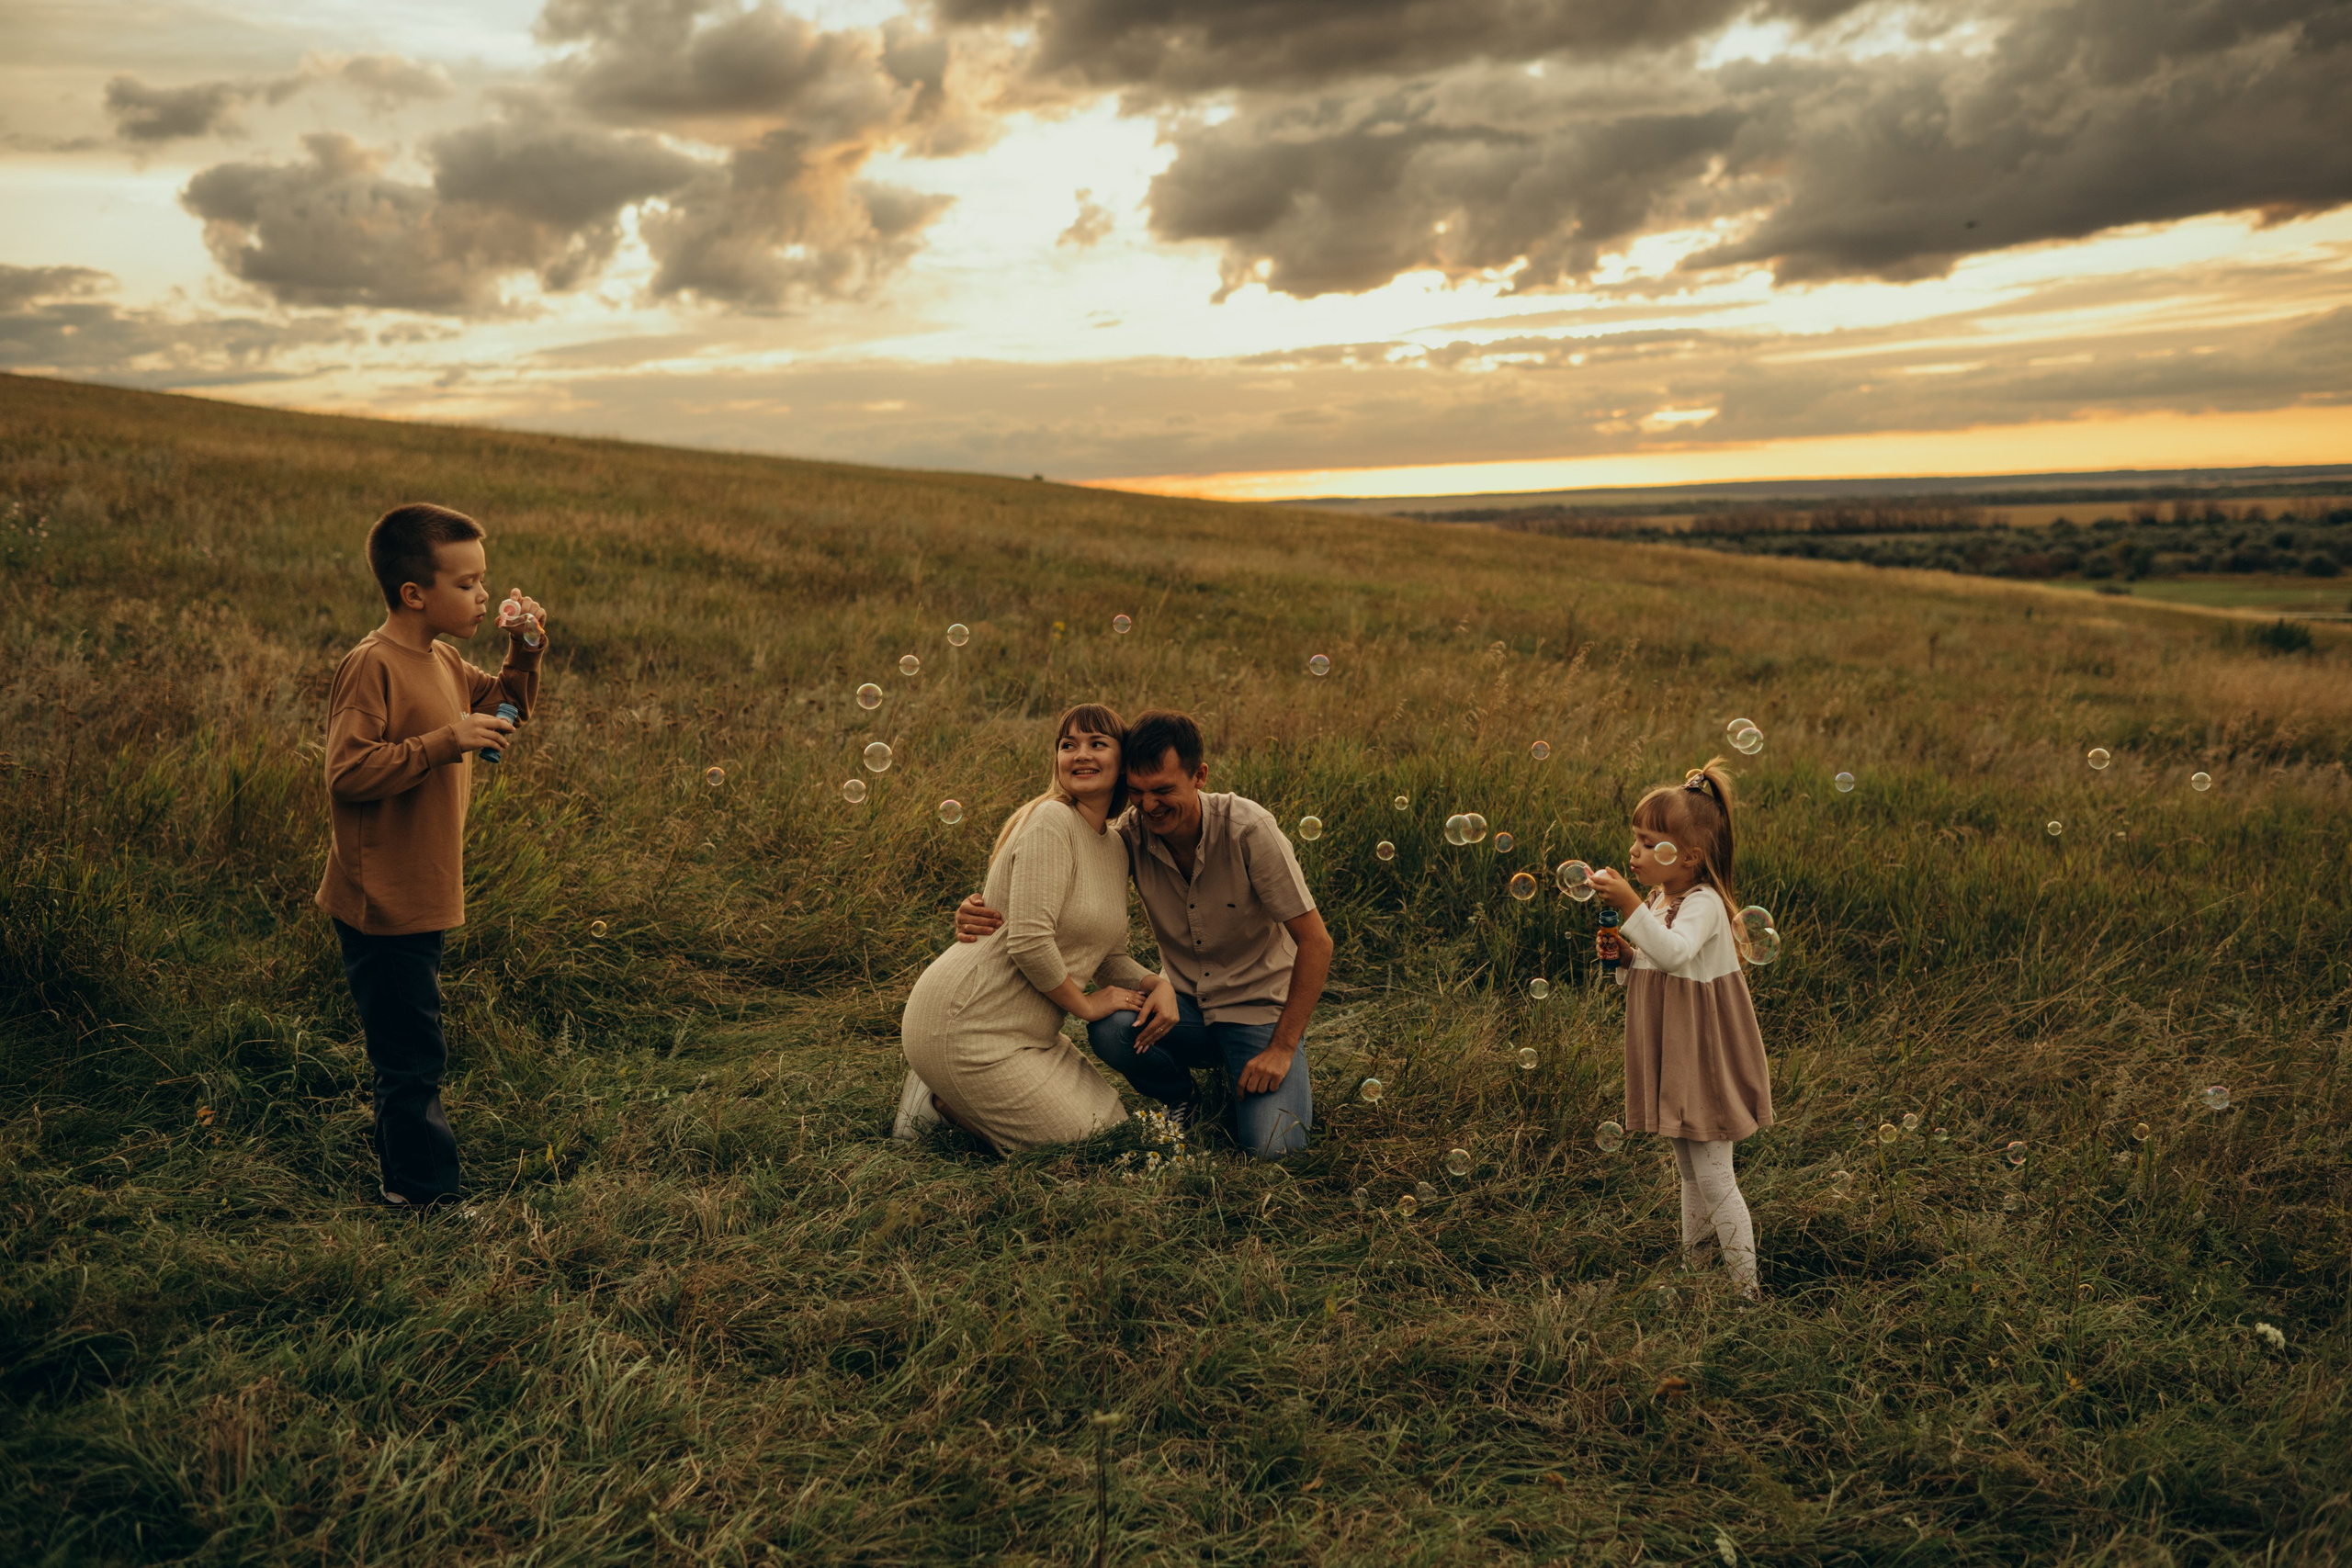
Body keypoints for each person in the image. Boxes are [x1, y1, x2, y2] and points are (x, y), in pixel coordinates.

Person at [955, 708, 1330, 1158]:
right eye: (1137, 792)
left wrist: (1282, 1048)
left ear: (1200, 776)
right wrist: (983, 908)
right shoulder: (1130, 834)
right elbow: (1060, 877)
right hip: (1186, 1008)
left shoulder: (1248, 829)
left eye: (1164, 790)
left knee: (1275, 1153)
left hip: (1259, 1015)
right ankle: (1182, 1097)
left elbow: (1316, 942)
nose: (1150, 805)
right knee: (1111, 1028)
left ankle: (1251, 1076)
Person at [315, 503, 545, 1210]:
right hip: (380, 896)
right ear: (416, 594)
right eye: (468, 583)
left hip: (422, 887)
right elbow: (346, 772)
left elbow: (505, 710)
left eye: (485, 582)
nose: (484, 596)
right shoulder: (373, 666)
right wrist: (444, 742)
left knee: (408, 1046)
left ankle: (404, 1167)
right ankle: (422, 1198)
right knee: (413, 1056)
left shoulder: (443, 657)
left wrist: (525, 654)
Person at [894, 705, 1153, 1154]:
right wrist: (1087, 1007)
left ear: (1122, 760)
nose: (1080, 755)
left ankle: (947, 1098)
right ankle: (940, 1104)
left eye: (1097, 743)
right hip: (968, 1023)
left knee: (1111, 1126)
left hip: (1026, 1035)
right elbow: (1030, 942)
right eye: (1068, 745)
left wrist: (1155, 984)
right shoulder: (1052, 820)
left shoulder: (1114, 846)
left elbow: (1107, 955)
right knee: (1084, 1148)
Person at [1586, 759, 1773, 1297]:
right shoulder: (1661, 898)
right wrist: (1624, 955)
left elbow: (1674, 954)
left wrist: (1626, 908)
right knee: (1691, 1173)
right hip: (1676, 1047)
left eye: (1648, 843)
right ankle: (1698, 1271)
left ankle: (1747, 1294)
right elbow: (1652, 965)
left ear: (1688, 856)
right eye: (1635, 840)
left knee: (1715, 1176)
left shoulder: (1706, 904)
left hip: (1704, 1052)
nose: (1635, 852)